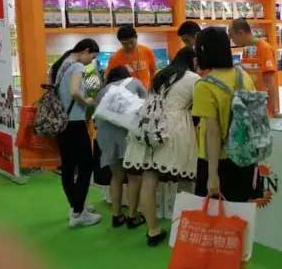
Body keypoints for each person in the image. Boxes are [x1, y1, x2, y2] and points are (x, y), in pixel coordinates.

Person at [123, 47, 200, 246]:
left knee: (149, 179)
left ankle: (152, 230)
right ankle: (183, 228)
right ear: (193, 60)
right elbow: (199, 108)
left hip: (150, 128)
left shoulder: (160, 75)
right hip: (176, 130)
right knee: (185, 180)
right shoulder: (193, 79)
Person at [192, 27, 257, 201]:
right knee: (241, 210)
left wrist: (212, 175)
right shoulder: (243, 75)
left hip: (218, 161)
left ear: (202, 50)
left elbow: (212, 133)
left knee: (213, 214)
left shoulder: (204, 86)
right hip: (245, 155)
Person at [50, 38, 102, 228]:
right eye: (92, 57)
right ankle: (78, 213)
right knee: (87, 165)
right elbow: (74, 91)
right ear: (86, 51)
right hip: (75, 123)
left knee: (69, 167)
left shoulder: (61, 64)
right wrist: (86, 101)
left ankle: (75, 206)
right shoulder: (77, 66)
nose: (91, 62)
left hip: (62, 122)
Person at [94, 66, 147, 230]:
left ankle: (116, 215)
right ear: (126, 75)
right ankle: (132, 216)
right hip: (127, 133)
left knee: (116, 176)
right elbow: (147, 104)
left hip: (105, 135)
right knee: (134, 176)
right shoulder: (135, 82)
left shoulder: (103, 91)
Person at [228, 18, 279, 115]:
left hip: (264, 108)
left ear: (241, 33)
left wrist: (275, 110)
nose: (232, 40)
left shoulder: (265, 48)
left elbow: (270, 83)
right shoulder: (246, 49)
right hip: (251, 105)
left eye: (232, 36)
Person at [106, 25, 157, 89]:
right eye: (124, 44)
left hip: (146, 91)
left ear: (136, 37)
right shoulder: (114, 58)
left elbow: (153, 71)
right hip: (127, 94)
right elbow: (108, 79)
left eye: (131, 42)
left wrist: (151, 86)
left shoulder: (147, 51)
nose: (129, 46)